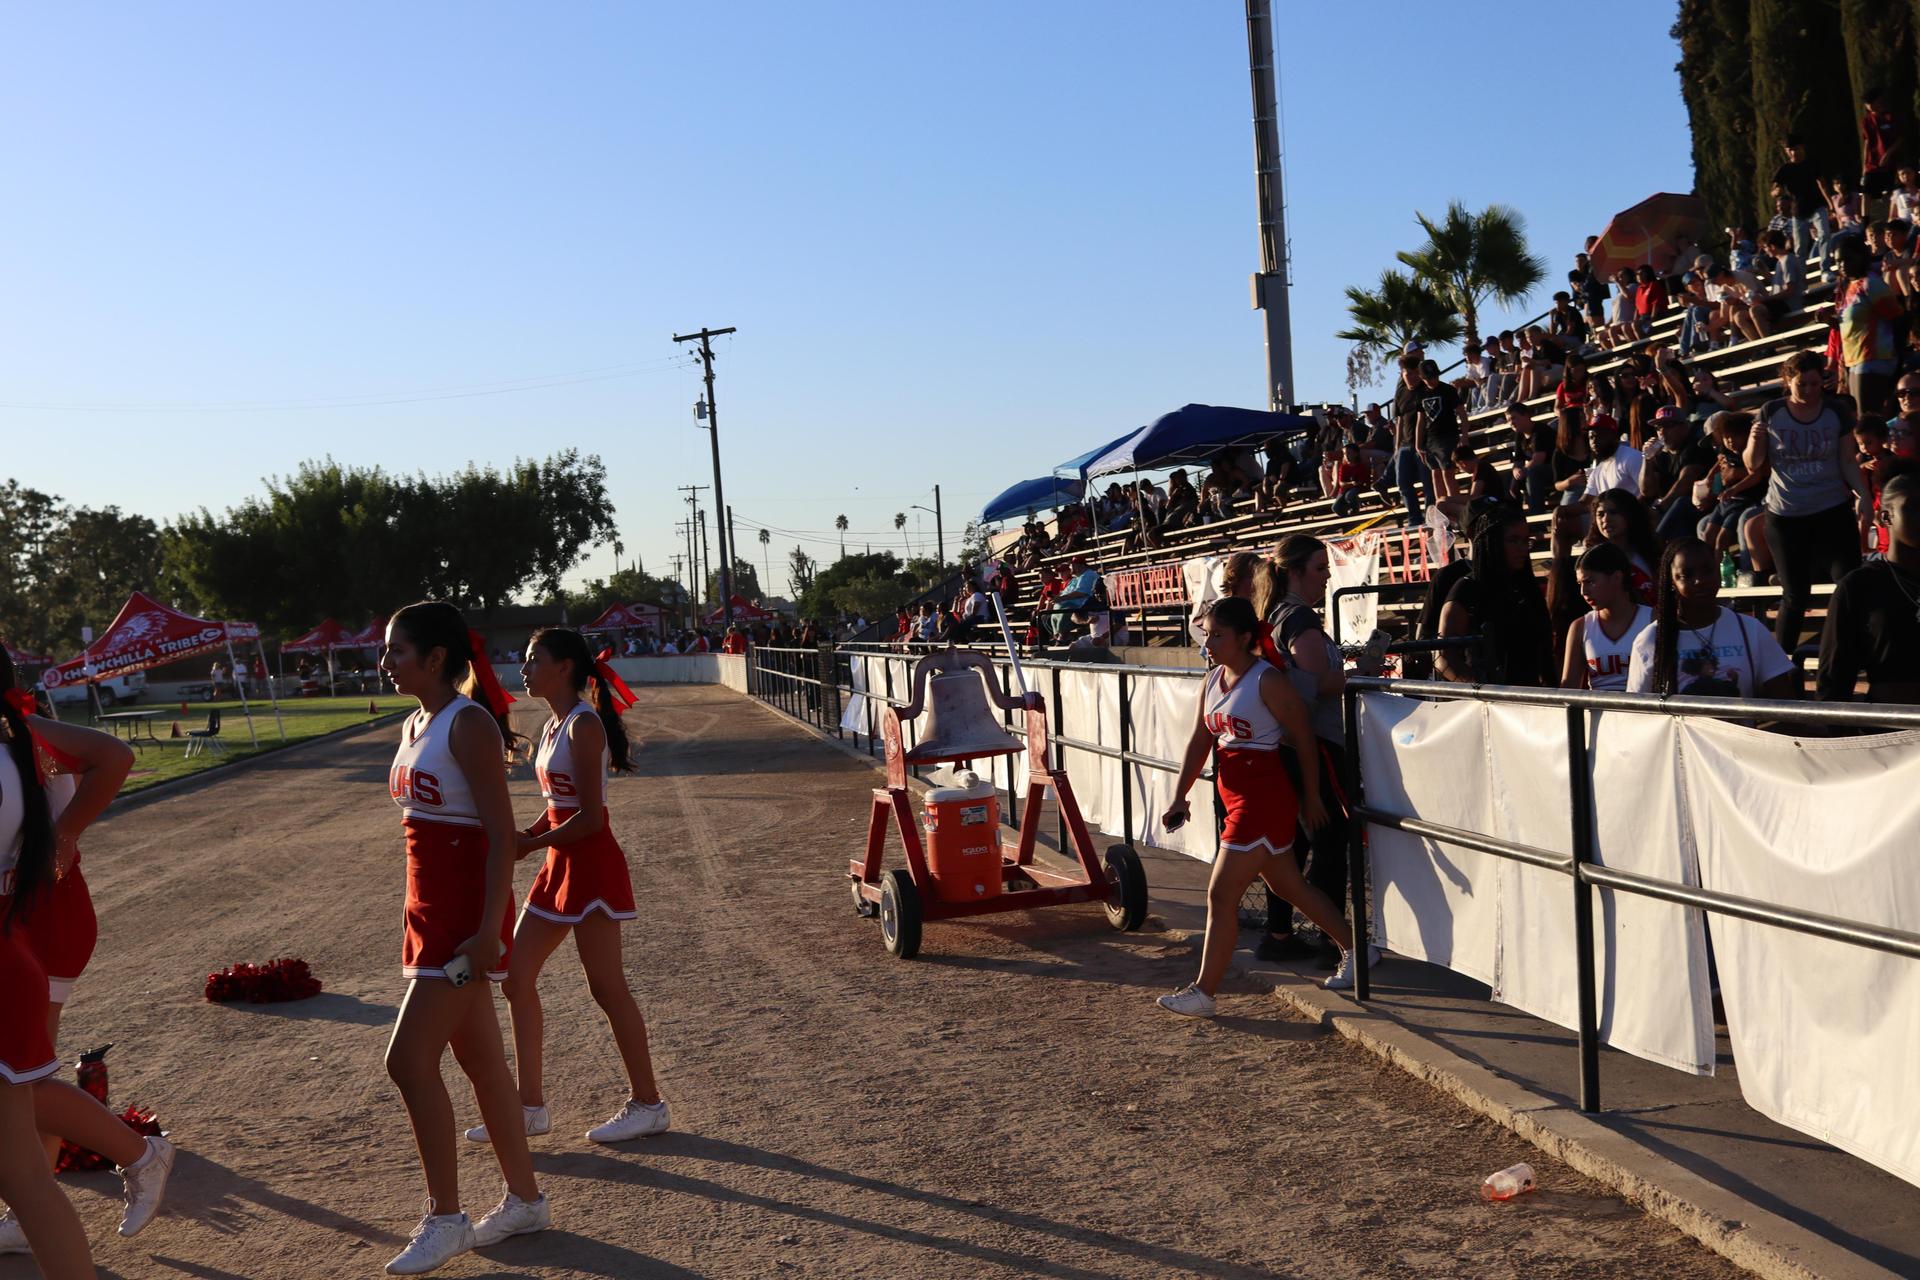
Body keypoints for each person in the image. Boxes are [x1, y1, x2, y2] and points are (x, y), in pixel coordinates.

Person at [378, 602, 547, 1273]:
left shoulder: (469, 723)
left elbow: (502, 836)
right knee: (482, 1065)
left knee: (407, 1062)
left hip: (462, 925)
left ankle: (446, 1218)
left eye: (397, 651)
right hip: (429, 911)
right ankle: (526, 1200)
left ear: (436, 657)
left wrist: (487, 933)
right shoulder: (415, 721)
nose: (385, 662)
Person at [464, 630, 670, 1155]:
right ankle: (528, 1108)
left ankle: (648, 1103)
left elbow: (591, 818)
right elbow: (558, 803)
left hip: (591, 864)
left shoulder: (583, 726)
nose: (523, 669)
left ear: (565, 667)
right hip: (560, 862)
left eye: (534, 660)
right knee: (513, 976)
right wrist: (531, 837)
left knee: (607, 987)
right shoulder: (553, 725)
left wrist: (532, 846)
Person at [1155, 597, 1372, 1017]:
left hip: (1263, 796)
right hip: (1236, 793)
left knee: (1220, 894)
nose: (1209, 642)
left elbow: (1304, 736)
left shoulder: (1267, 679)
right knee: (1288, 886)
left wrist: (1310, 796)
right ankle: (1357, 950)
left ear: (1244, 637)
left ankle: (1205, 992)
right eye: (1207, 634)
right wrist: (1180, 795)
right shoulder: (1214, 677)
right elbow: (1201, 739)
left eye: (1218, 634)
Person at [1256, 537, 1363, 971]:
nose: (1328, 576)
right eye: (1320, 568)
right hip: (1313, 742)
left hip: (1288, 742)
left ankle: (1281, 933)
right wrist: (1361, 673)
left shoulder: (1274, 611)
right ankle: (1331, 941)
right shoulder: (1297, 615)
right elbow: (1317, 683)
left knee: (1296, 841)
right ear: (1296, 571)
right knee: (1330, 841)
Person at [1747, 350, 1872, 650]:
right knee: (1795, 594)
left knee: (1850, 582)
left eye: (1815, 384)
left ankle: (1854, 650)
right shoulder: (1771, 411)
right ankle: (1783, 661)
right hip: (1787, 513)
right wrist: (1754, 438)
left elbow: (1846, 460)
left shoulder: (1835, 412)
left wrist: (1863, 494)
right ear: (1788, 381)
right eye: (1802, 384)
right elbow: (1753, 464)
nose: (1809, 391)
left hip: (1831, 508)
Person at [1627, 538, 1797, 698]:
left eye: (1707, 570)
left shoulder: (1751, 630)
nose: (1700, 581)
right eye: (1687, 574)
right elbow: (1638, 716)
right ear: (1672, 582)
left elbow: (1784, 702)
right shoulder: (1650, 639)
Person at [1819, 471, 1920, 702]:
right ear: (1886, 517)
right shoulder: (1858, 586)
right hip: (1890, 729)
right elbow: (1834, 677)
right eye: (1913, 507)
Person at [1435, 506, 1553, 686]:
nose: (1522, 548)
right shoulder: (1467, 589)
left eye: (1525, 541)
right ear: (1493, 542)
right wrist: (1482, 691)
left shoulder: (1527, 587)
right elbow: (1443, 658)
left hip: (1532, 697)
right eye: (1513, 540)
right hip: (1490, 702)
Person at [1558, 543, 1654, 691]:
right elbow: (1568, 691)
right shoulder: (1580, 627)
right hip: (1597, 712)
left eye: (1590, 581)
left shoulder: (1653, 620)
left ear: (1617, 577)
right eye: (1580, 584)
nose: (1583, 591)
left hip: (1643, 712)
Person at [1646, 407, 1720, 541]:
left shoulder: (1696, 446)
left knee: (1681, 503)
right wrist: (1646, 460)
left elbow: (1684, 483)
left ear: (1685, 426)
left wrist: (1659, 508)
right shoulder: (1661, 455)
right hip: (1676, 512)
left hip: (1704, 505)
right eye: (1658, 427)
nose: (1662, 432)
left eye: (1668, 426)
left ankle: (1656, 545)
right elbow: (1647, 490)